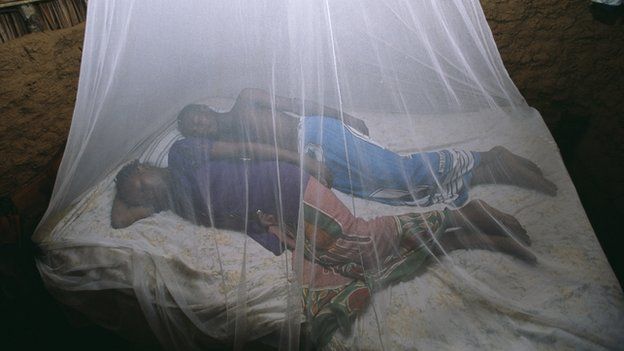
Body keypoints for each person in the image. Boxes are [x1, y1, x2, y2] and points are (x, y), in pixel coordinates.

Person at [111, 136, 535, 345]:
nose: (143, 191)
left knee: (360, 241)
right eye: (138, 193)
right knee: (343, 267)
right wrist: (272, 233)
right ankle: (467, 240)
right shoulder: (176, 203)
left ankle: (463, 215)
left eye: (140, 180)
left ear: (147, 165)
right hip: (283, 213)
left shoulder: (182, 155)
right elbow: (120, 219)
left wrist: (301, 158)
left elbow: (245, 147)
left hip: (288, 183)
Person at [177, 88, 557, 207]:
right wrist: (305, 168)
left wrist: (343, 116)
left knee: (397, 171)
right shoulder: (228, 145)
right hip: (309, 158)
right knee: (386, 193)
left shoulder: (246, 99)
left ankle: (484, 156)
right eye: (192, 128)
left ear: (205, 109)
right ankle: (487, 170)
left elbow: (296, 102)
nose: (198, 123)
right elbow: (266, 162)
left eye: (195, 115)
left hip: (316, 133)